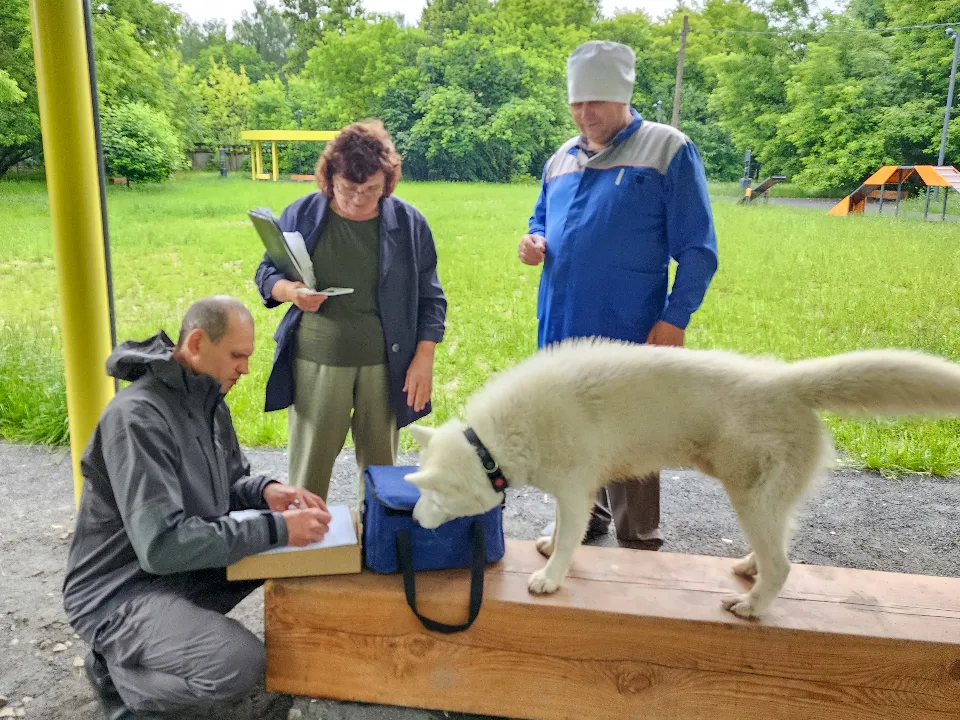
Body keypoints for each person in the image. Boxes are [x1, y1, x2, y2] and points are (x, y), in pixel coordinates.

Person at [63, 296, 331, 720]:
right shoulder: (138, 419)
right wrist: (278, 529)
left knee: (295, 557)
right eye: (237, 355)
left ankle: (163, 644)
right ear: (197, 343)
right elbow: (162, 545)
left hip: (176, 569)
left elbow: (227, 486)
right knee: (238, 667)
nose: (245, 368)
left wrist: (266, 491)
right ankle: (121, 678)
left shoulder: (207, 399)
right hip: (120, 591)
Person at [518, 40, 719, 551]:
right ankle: (584, 517)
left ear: (623, 97)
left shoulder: (667, 148)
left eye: (597, 103)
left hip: (628, 322)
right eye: (577, 104)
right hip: (561, 319)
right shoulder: (560, 157)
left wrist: (675, 320)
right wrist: (534, 238)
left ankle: (639, 537)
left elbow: (697, 249)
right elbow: (541, 216)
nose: (585, 115)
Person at [255, 119, 446, 501]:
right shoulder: (304, 214)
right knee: (309, 468)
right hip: (317, 360)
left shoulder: (409, 223)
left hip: (385, 363)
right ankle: (305, 549)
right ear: (329, 180)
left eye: (371, 190)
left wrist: (424, 357)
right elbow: (265, 272)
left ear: (387, 182)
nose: (358, 199)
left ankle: (378, 546)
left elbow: (432, 299)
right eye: (347, 189)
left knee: (381, 473)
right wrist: (291, 291)